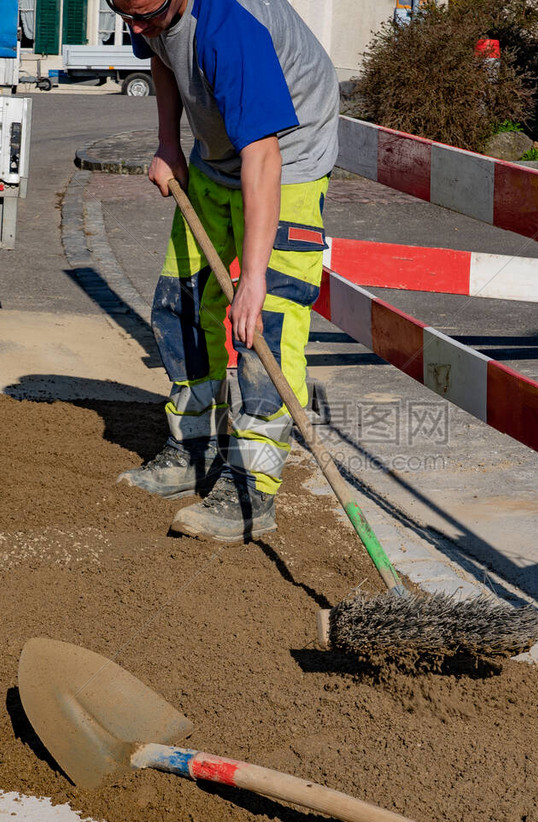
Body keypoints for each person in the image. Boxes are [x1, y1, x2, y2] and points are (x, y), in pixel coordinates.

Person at [112, 0, 339, 543]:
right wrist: (169, 142)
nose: (136, 29)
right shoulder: (151, 11)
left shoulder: (231, 29)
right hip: (218, 159)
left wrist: (253, 280)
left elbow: (264, 157)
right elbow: (162, 56)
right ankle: (191, 451)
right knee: (182, 298)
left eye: (144, 15)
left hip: (288, 160)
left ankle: (250, 491)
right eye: (125, 16)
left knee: (265, 326)